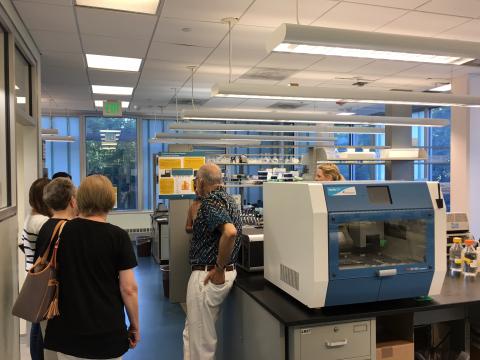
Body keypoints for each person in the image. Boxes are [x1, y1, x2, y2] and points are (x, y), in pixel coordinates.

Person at [44, 175, 139, 360]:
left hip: (67, 332)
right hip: (106, 333)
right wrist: (134, 324)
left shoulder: (61, 232)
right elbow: (129, 288)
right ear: (110, 199)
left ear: (79, 199)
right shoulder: (118, 237)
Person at [183, 163, 242, 360]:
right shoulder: (229, 200)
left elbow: (230, 232)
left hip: (207, 275)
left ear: (200, 182)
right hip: (219, 273)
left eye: (195, 181)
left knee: (201, 344)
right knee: (192, 333)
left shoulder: (209, 202)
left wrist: (218, 267)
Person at [20, 178, 51, 360]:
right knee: (39, 326)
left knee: (36, 323)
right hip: (41, 278)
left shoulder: (31, 217)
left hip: (32, 275)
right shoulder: (42, 222)